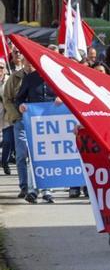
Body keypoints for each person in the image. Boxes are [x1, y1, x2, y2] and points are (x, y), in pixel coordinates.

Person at [15, 65, 58, 203]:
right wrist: (21, 106)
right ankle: (33, 189)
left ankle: (47, 190)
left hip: (53, 124)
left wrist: (61, 99)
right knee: (34, 156)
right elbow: (19, 99)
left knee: (49, 156)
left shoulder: (56, 78)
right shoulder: (30, 79)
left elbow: (67, 96)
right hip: (34, 123)